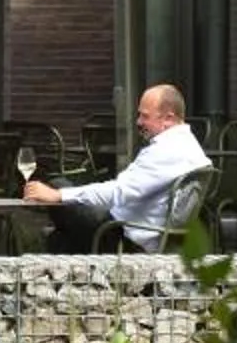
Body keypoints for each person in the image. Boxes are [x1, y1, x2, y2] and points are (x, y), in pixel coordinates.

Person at [21, 82, 212, 253]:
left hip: (123, 237)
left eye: (145, 116)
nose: (138, 122)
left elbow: (119, 191)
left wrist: (59, 195)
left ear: (168, 119)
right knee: (61, 238)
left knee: (56, 185)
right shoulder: (188, 145)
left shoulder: (166, 150)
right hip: (139, 231)